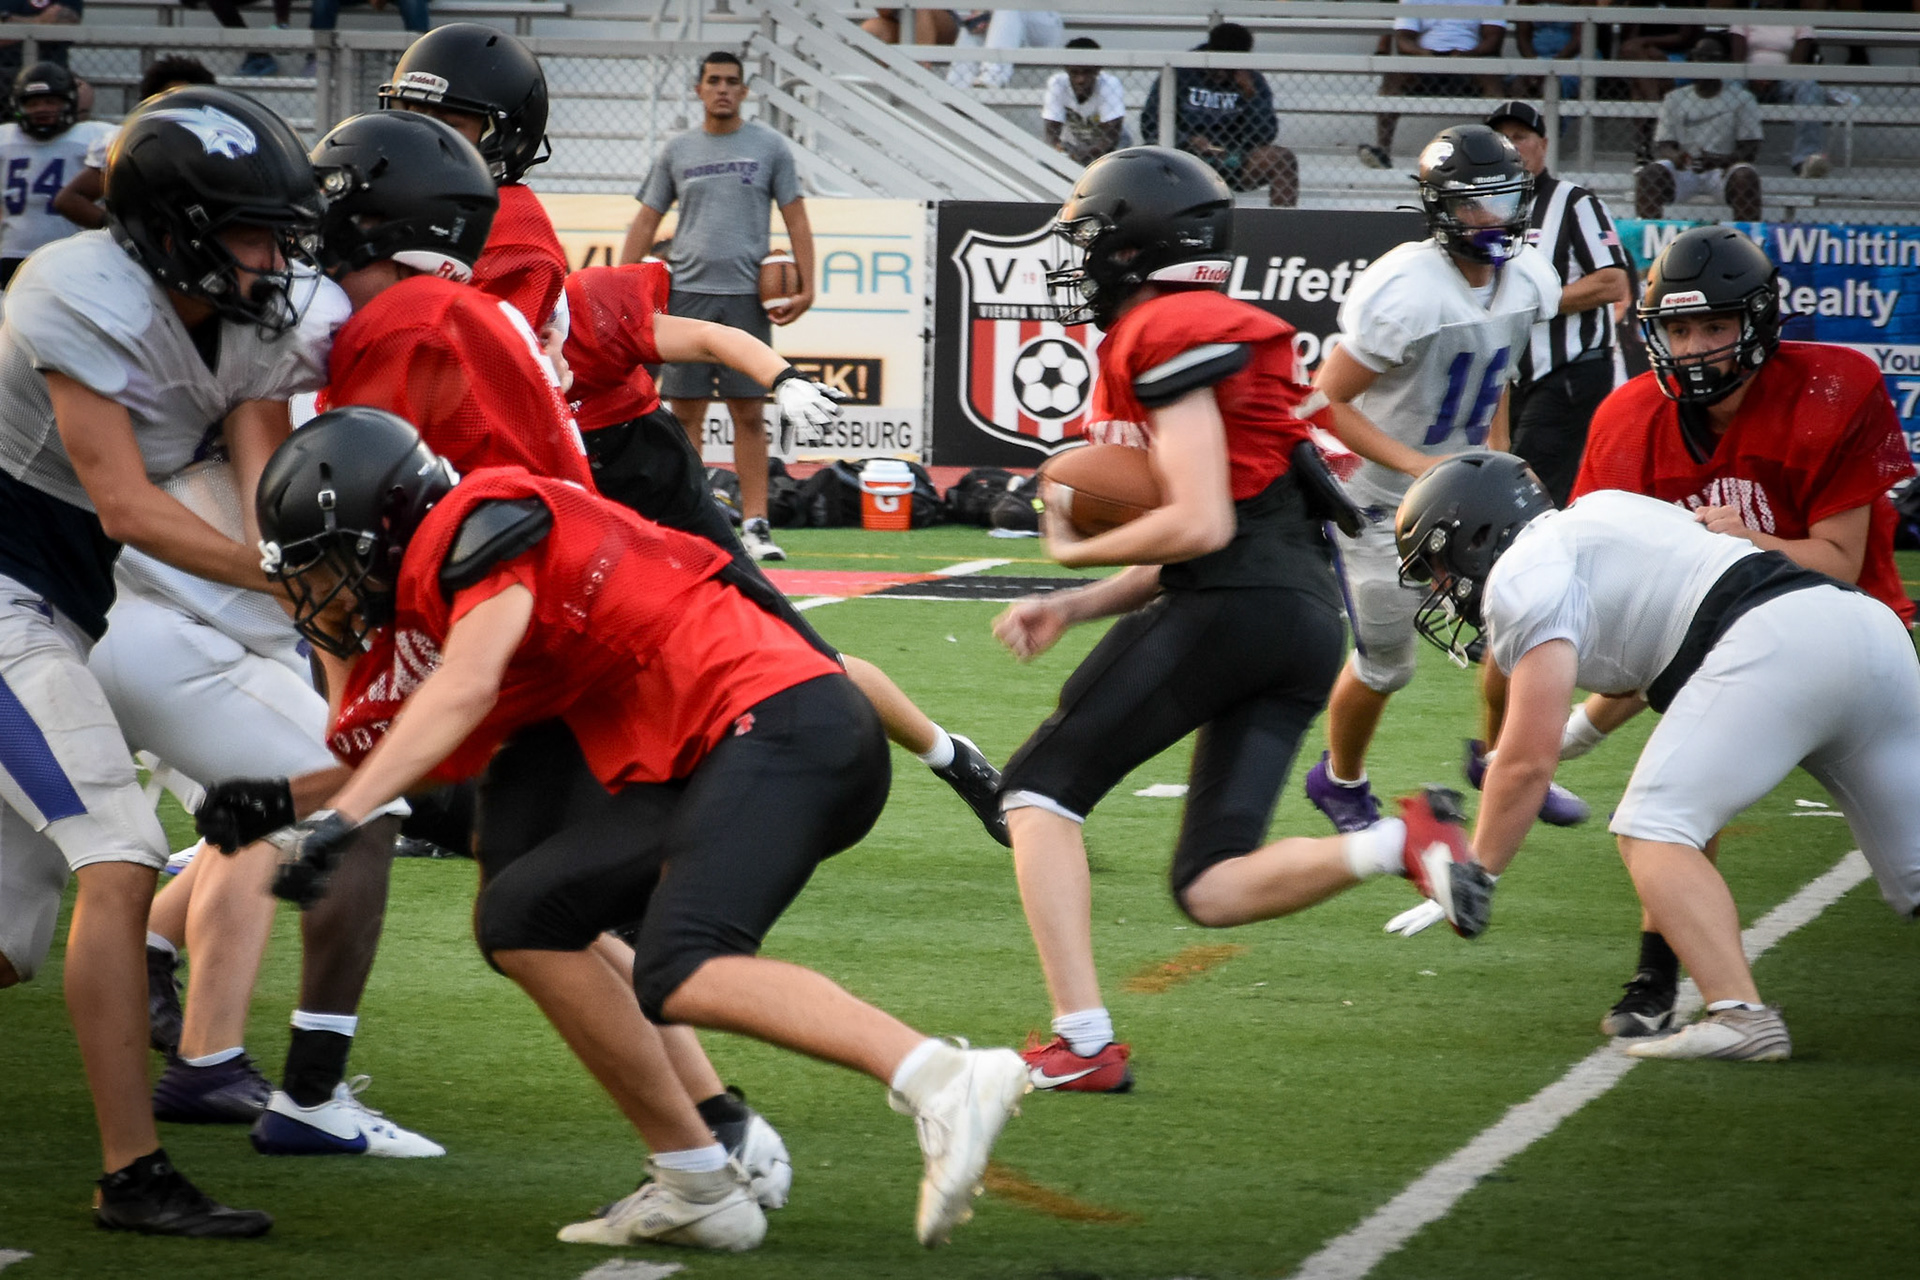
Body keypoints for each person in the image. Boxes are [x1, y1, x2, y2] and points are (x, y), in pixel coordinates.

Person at [251, 408, 1032, 1251]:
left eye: (324, 562)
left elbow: (464, 688)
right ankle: (698, 1176)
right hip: (716, 751)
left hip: (780, 723)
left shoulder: (477, 524)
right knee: (523, 917)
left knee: (682, 964)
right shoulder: (447, 591)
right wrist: (275, 803)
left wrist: (344, 817)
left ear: (379, 529)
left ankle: (939, 1075)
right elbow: (407, 738)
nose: (320, 590)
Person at [991, 146, 1492, 1095]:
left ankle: (1083, 1042)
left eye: (1091, 239)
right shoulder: (1210, 329)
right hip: (1301, 619)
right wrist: (1075, 606)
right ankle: (1401, 843)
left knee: (1037, 795)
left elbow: (1199, 526)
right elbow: (1219, 522)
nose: (1080, 259)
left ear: (1134, 245)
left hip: (1235, 603)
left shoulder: (1163, 325)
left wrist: (1066, 548)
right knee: (1210, 886)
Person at [0, 83, 327, 1238]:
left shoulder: (244, 315)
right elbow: (128, 507)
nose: (275, 257)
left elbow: (267, 489)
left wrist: (320, 569)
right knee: (123, 851)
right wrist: (292, 581)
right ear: (175, 228)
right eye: (252, 231)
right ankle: (133, 1172)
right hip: (9, 599)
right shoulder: (76, 292)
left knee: (6, 942)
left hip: (58, 606)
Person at [1396, 452, 1920, 1061]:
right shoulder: (1603, 513)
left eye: (1436, 565)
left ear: (1474, 536)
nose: (1439, 587)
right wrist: (1574, 736)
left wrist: (1478, 872)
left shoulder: (1521, 575)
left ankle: (1740, 1015)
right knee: (1913, 872)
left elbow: (1526, 762)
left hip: (1774, 642)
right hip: (1866, 629)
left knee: (1653, 828)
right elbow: (1660, 646)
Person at [1557, 226, 1915, 1037]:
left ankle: (1708, 1003)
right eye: (1678, 329)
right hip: (1758, 651)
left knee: (1662, 811)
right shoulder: (1629, 421)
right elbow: (1659, 625)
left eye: (1714, 326)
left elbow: (1840, 563)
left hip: (1847, 635)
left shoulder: (1831, 389)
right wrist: (1582, 727)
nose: (1693, 348)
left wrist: (1744, 545)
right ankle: (1659, 976)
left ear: (1757, 323)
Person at [561, 262, 1013, 845]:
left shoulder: (582, 309)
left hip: (652, 487)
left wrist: (785, 378)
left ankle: (951, 757)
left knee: (806, 659)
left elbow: (711, 337)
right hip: (568, 500)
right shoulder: (473, 332)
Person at [1304, 125, 1582, 837]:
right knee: (1386, 665)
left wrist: (1499, 454)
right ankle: (1339, 779)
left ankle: (1498, 760)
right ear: (1440, 210)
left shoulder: (1529, 279)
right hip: (1375, 495)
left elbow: (1498, 373)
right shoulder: (1407, 287)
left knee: (1521, 625)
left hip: (1466, 489)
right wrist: (1419, 467)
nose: (1492, 217)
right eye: (1473, 203)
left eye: (1504, 199)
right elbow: (1326, 401)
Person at [620, 50, 815, 562]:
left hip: (748, 298)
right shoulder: (677, 149)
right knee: (685, 413)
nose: (723, 89)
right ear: (699, 89)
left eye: (732, 81)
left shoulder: (770, 146)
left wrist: (808, 285)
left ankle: (756, 526)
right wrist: (621, 284)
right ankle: (696, 524)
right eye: (714, 80)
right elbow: (646, 220)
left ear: (744, 91)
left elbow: (796, 218)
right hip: (686, 296)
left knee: (748, 412)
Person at [1485, 100, 1631, 507]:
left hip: (1568, 369)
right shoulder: (1486, 210)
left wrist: (1534, 304)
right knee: (1515, 478)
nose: (1511, 146)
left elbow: (1613, 282)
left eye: (1520, 136)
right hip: (1511, 378)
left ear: (1544, 145)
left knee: (1529, 491)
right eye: (1501, 139)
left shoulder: (1574, 202)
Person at [378, 23, 567, 334]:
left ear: (506, 139)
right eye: (411, 113)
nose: (421, 135)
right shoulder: (394, 190)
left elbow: (462, 350)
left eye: (449, 124)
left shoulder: (511, 230)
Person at [51, 57, 216, 232]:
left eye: (185, 100)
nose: (177, 109)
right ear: (151, 104)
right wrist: (119, 229)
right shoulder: (130, 143)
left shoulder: (218, 142)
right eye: (170, 101)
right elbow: (69, 199)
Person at [1141, 22, 1296, 207]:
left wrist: (1251, 95)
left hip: (1232, 158)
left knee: (1282, 159)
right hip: (1184, 157)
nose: (1221, 73)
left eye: (1228, 69)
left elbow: (1265, 134)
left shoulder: (1252, 80)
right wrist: (1188, 140)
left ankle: (1281, 223)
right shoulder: (1180, 71)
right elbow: (1150, 123)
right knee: (1146, 159)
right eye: (1216, 67)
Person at [0, 61, 113, 286]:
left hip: (72, 252)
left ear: (70, 102)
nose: (41, 109)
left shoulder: (94, 137)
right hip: (13, 254)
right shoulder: (5, 139)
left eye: (51, 101)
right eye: (32, 103)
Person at [1364, 0, 1507, 170]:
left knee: (1492, 80)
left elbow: (1494, 40)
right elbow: (1403, 39)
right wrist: (1424, 54)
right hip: (1424, 62)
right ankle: (1383, 151)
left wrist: (1468, 55)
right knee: (1393, 77)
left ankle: (1496, 155)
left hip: (1470, 62)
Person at [1635, 35, 1763, 222]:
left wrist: (1722, 160)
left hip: (1724, 170)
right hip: (1685, 169)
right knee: (1651, 174)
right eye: (1700, 57)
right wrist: (1677, 157)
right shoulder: (1674, 98)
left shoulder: (1742, 98)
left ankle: (1746, 235)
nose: (1705, 63)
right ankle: (1649, 233)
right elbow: (1664, 145)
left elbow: (1751, 148)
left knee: (1745, 176)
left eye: (1712, 58)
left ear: (1722, 62)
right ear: (1691, 60)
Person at [1727, 3, 1843, 179]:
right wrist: (1754, 77)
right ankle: (1727, 155)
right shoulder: (1744, 17)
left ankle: (1806, 160)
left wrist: (1775, 77)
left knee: (1809, 86)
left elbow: (1797, 63)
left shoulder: (1799, 20)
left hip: (1783, 82)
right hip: (1748, 81)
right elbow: (1737, 60)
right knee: (1729, 82)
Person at [1041, 37, 1125, 165]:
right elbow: (1051, 134)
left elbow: (1111, 136)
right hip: (1071, 146)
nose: (1081, 80)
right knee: (1042, 163)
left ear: (1098, 69)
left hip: (1110, 148)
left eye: (1087, 72)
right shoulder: (1057, 83)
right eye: (1074, 72)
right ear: (1066, 68)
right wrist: (1063, 153)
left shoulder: (1109, 84)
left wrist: (1085, 155)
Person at [948, 8, 1064, 90]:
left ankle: (993, 77)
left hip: (1043, 21)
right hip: (1004, 20)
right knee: (972, 28)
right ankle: (957, 87)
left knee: (1007, 6)